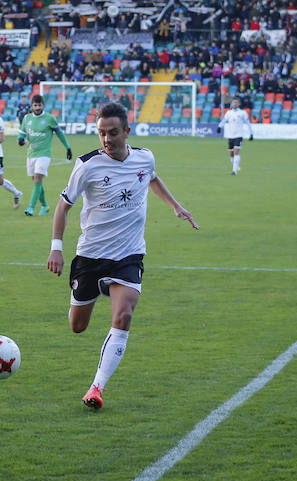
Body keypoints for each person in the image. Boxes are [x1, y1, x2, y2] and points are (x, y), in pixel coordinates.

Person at [46, 102, 199, 410]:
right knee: (77, 326)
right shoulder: (87, 165)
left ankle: (96, 388)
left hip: (129, 255)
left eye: (113, 132)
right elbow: (63, 206)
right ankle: (88, 295)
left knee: (124, 314)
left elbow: (151, 177)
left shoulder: (144, 158)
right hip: (90, 256)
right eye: (101, 133)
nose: (106, 139)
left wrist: (175, 205)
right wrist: (57, 247)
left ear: (126, 131)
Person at [18, 94, 72, 216]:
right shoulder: (27, 118)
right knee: (36, 181)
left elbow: (60, 134)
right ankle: (45, 205)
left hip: (44, 154)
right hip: (31, 154)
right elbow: (21, 133)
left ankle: (31, 207)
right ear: (31, 106)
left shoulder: (50, 118)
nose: (37, 108)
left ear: (43, 105)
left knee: (37, 179)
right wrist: (20, 140)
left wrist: (68, 147)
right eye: (35, 105)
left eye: (39, 105)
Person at [216, 96, 254, 175]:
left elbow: (248, 123)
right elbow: (224, 120)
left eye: (236, 102)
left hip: (239, 135)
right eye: (233, 102)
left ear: (239, 104)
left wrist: (251, 133)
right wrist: (219, 127)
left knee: (236, 152)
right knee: (231, 155)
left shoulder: (242, 113)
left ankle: (234, 171)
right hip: (230, 136)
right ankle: (237, 166)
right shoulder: (229, 113)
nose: (235, 104)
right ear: (231, 103)